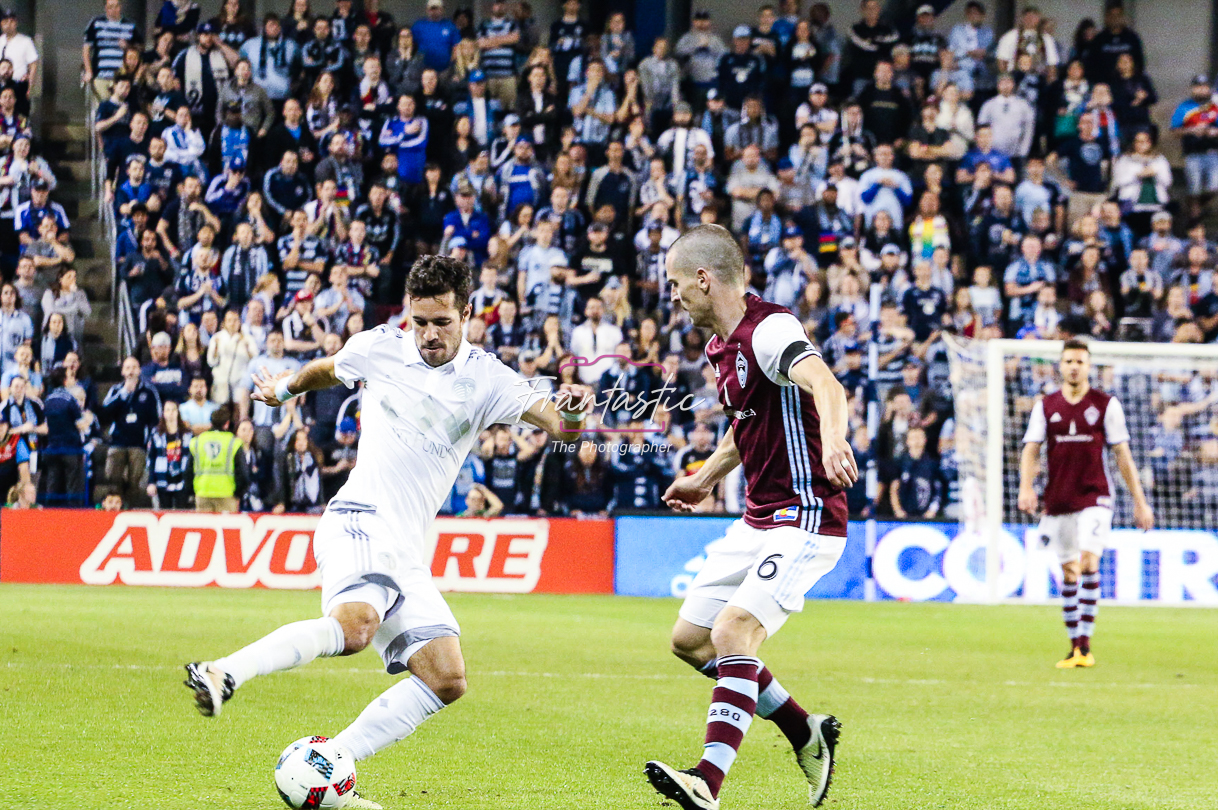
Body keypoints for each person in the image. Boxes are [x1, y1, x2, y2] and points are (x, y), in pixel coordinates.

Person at [183, 256, 591, 810]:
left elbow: (562, 427)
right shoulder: (380, 347)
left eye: (441, 322)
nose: (429, 334)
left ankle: (332, 764)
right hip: (359, 517)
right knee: (354, 628)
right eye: (419, 321)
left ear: (466, 314)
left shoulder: (488, 378)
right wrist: (283, 389)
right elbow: (327, 368)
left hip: (405, 550)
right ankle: (223, 672)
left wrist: (575, 412)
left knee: (445, 676)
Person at [644, 224, 857, 810]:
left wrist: (834, 440)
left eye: (676, 284)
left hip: (806, 516)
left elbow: (826, 385)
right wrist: (704, 478)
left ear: (703, 279)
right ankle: (803, 730)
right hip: (758, 519)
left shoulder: (770, 330)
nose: (673, 296)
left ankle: (706, 783)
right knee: (690, 642)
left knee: (733, 631)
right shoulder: (721, 347)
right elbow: (747, 426)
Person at [1017, 339, 1153, 668]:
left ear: (1089, 366)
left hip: (1095, 495)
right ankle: (1075, 646)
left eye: (1080, 361)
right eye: (1068, 361)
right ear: (1060, 366)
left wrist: (1140, 502)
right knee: (1068, 572)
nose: (1074, 367)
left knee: (1089, 561)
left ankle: (1086, 646)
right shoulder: (1045, 406)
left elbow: (1123, 455)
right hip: (1059, 498)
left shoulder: (1106, 405)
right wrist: (1026, 488)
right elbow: (1031, 449)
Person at [188, 403, 241, 512]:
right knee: (226, 523)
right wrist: (238, 494)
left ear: (210, 423)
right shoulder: (233, 442)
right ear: (227, 424)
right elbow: (242, 472)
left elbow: (188, 471)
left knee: (205, 523)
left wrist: (192, 492)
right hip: (227, 495)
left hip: (202, 493)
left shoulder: (197, 441)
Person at [146, 397, 192, 508]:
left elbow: (191, 459)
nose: (171, 413)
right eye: (167, 410)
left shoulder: (187, 434)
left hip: (182, 482)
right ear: (163, 413)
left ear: (178, 412)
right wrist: (151, 482)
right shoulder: (156, 434)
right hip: (162, 480)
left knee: (182, 513)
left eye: (173, 410)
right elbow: (151, 459)